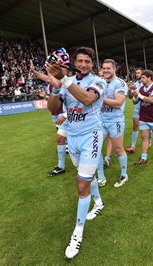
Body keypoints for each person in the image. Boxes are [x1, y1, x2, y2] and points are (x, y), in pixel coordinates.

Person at [45, 47, 106, 259]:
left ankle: (77, 233)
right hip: (73, 136)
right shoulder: (65, 81)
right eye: (79, 61)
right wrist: (55, 87)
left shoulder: (99, 81)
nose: (83, 64)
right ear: (74, 62)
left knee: (81, 184)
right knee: (86, 178)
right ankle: (98, 203)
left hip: (92, 136)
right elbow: (53, 109)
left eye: (87, 61)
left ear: (92, 64)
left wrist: (64, 80)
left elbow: (88, 100)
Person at [30, 62, 69, 177]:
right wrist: (34, 71)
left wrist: (66, 115)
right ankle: (61, 166)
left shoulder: (66, 82)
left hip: (67, 114)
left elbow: (73, 101)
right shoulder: (53, 81)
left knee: (66, 139)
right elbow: (45, 78)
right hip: (57, 112)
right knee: (60, 138)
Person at [97, 59, 129, 187]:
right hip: (101, 120)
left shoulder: (120, 83)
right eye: (104, 68)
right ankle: (101, 177)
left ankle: (124, 175)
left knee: (118, 148)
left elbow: (117, 103)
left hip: (115, 121)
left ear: (114, 69)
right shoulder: (100, 82)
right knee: (97, 149)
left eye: (108, 68)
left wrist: (99, 98)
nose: (105, 70)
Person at [132, 70, 153, 165]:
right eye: (141, 78)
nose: (141, 79)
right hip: (144, 117)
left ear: (149, 78)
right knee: (144, 137)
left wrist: (139, 95)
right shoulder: (141, 88)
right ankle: (143, 158)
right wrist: (133, 95)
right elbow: (135, 101)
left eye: (143, 77)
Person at [126, 68, 143, 153]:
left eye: (139, 73)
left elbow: (143, 95)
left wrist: (136, 89)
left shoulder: (146, 84)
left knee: (147, 127)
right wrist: (129, 90)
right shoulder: (135, 84)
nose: (137, 74)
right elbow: (130, 97)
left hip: (146, 108)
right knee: (135, 126)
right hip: (137, 108)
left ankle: (149, 140)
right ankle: (133, 146)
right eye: (136, 73)